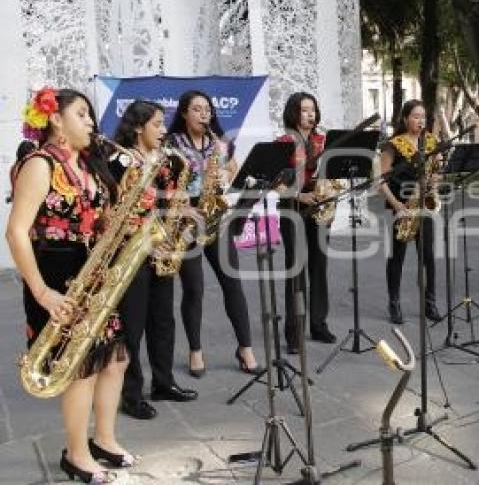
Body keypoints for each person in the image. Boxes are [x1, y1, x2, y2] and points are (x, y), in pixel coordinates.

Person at [6, 87, 133, 483]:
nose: (92, 123)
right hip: (55, 276)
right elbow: (16, 232)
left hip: (92, 273)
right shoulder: (40, 164)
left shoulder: (88, 166)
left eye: (91, 115)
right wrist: (42, 293)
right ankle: (77, 455)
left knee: (114, 358)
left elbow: (99, 221)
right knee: (81, 367)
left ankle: (104, 440)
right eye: (82, 114)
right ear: (55, 119)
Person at [108, 100, 197, 420]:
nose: (163, 130)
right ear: (137, 127)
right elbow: (115, 212)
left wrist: (181, 209)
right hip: (132, 252)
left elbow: (167, 199)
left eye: (163, 124)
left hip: (162, 249)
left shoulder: (163, 160)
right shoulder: (119, 160)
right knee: (131, 326)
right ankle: (130, 395)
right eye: (157, 124)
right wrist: (147, 241)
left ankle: (163, 382)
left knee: (163, 320)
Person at [166, 90, 260, 377]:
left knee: (233, 284)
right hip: (187, 219)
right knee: (194, 288)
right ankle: (195, 350)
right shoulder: (171, 144)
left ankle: (245, 348)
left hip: (216, 216)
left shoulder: (221, 144)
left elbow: (234, 171)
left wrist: (225, 176)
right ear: (184, 113)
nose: (203, 113)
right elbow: (163, 182)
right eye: (196, 109)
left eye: (207, 109)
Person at [276, 92, 336, 354]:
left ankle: (318, 324)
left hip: (320, 207)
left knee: (319, 267)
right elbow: (275, 183)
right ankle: (294, 332)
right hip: (293, 208)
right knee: (296, 270)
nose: (309, 115)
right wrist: (300, 195)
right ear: (293, 113)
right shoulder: (284, 142)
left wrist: (330, 188)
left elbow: (333, 172)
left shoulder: (324, 141)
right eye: (303, 110)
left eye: (312, 110)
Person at [378, 99, 442, 325]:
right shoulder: (393, 145)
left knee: (428, 257)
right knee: (397, 257)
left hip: (423, 206)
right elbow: (380, 182)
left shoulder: (431, 142)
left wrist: (435, 179)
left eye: (423, 117)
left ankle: (430, 303)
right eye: (415, 116)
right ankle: (394, 303)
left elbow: (437, 171)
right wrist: (397, 206)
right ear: (405, 118)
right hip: (402, 207)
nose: (420, 120)